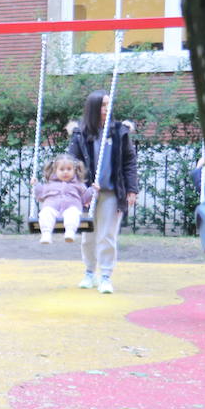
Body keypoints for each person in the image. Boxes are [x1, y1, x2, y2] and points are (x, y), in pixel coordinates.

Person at [67, 90, 138, 294]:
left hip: (112, 192)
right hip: (87, 192)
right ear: (94, 108)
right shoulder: (81, 134)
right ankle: (89, 272)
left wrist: (131, 189)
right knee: (88, 235)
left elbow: (129, 161)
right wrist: (81, 191)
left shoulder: (118, 132)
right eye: (103, 105)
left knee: (107, 235)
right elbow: (73, 163)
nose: (107, 108)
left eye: (109, 104)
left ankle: (105, 275)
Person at [33, 153, 92, 245]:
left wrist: (93, 191)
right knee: (45, 213)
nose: (65, 172)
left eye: (69, 169)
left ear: (74, 170)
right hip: (52, 208)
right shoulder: (49, 184)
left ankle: (70, 232)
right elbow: (40, 195)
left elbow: (85, 199)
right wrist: (36, 185)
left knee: (73, 213)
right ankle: (46, 233)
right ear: (55, 170)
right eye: (61, 169)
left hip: (71, 208)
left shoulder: (79, 185)